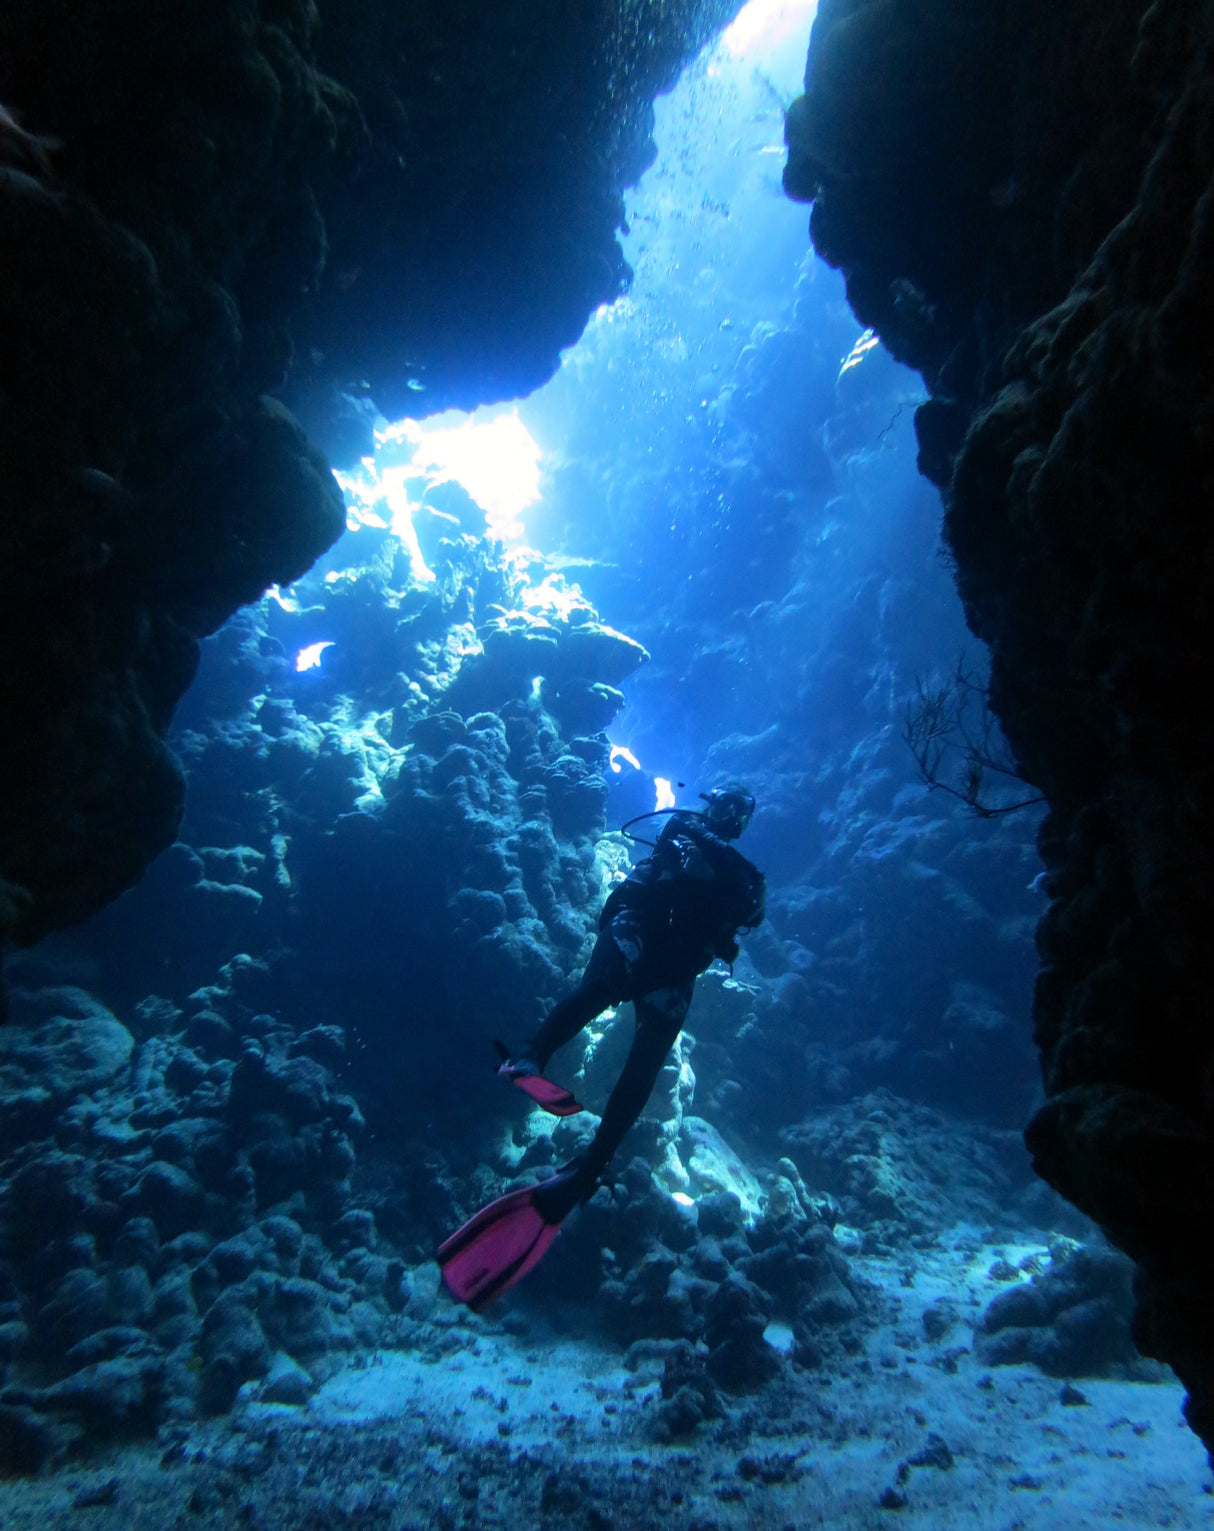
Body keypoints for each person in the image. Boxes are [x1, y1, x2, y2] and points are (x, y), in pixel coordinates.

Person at [438, 784, 766, 1311]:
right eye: (724, 806)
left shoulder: (741, 873)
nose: (727, 817)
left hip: (675, 969)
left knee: (645, 1064)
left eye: (737, 814)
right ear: (711, 805)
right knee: (597, 992)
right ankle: (531, 1056)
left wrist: (729, 877)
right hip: (636, 934)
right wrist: (725, 871)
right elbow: (694, 847)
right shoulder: (686, 829)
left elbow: (753, 909)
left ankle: (591, 1163)